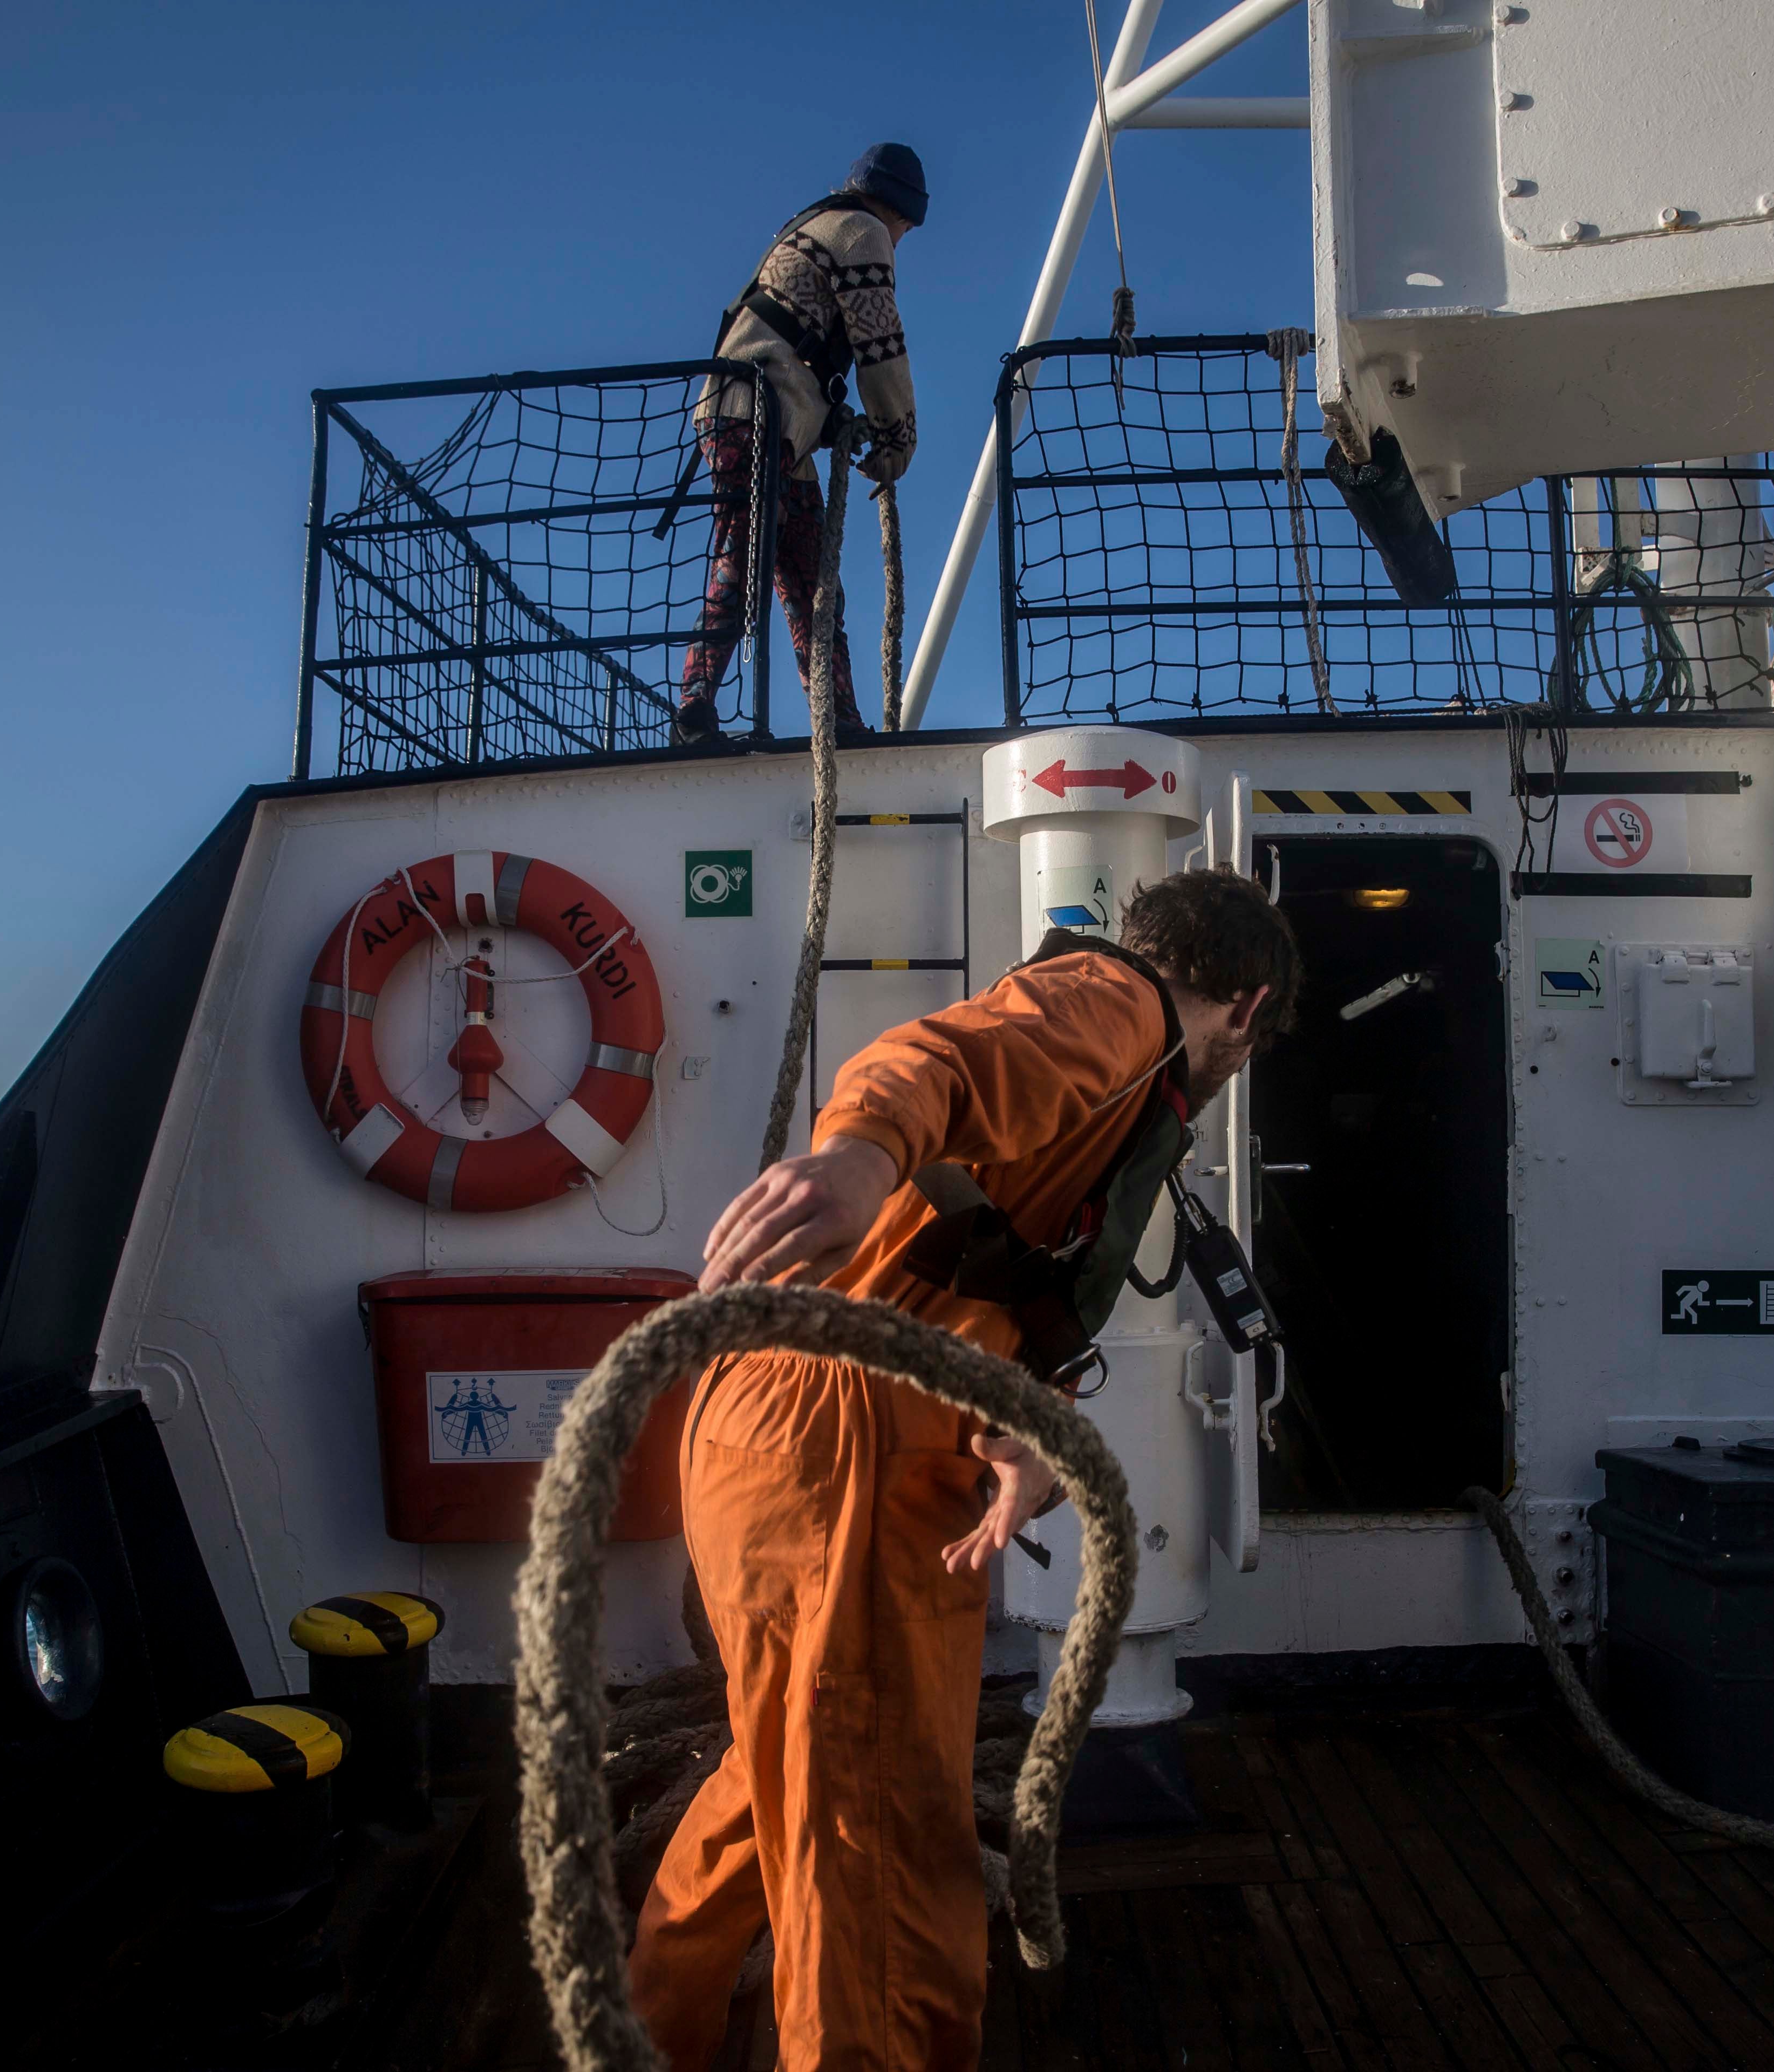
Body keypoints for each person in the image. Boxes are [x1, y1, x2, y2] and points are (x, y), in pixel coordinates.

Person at [629, 868, 1302, 2070]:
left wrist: (1030, 1438)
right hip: (847, 1438)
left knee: (785, 1774)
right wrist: (857, 1159)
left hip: (802, 1429)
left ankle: (647, 2039)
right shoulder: (1123, 1004)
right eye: (1250, 1046)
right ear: (1244, 1010)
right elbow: (935, 1060)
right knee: (883, 1852)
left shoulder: (1114, 1080)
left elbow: (1007, 1275)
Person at [672, 143, 925, 747]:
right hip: (753, 418)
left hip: (776, 424)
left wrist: (834, 422)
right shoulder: (862, 232)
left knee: (812, 582)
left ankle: (837, 717)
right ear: (900, 214)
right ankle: (694, 708)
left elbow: (796, 344)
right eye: (906, 231)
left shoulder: (818, 223)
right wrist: (897, 440)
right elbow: (880, 344)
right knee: (744, 557)